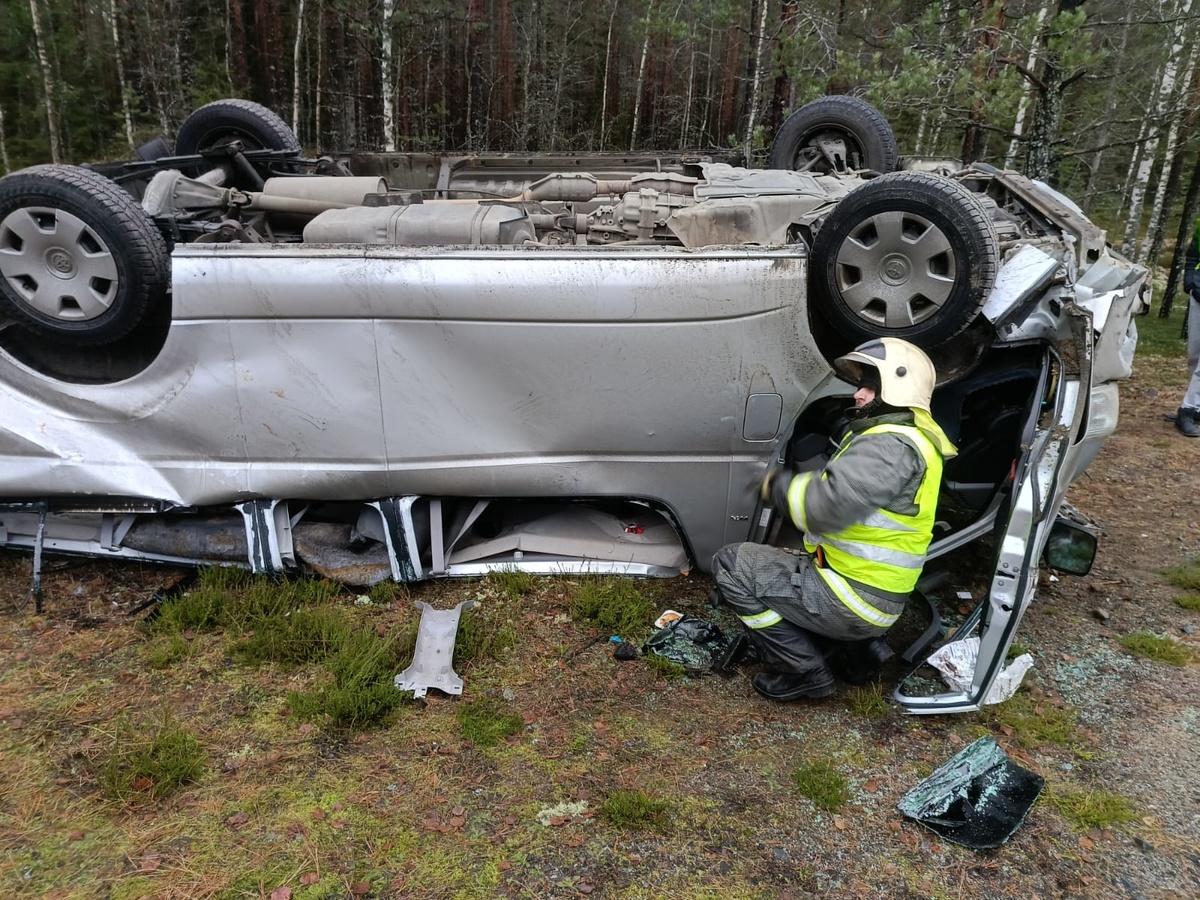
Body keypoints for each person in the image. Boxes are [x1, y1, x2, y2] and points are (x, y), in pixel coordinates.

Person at [711, 337, 957, 701]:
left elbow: (824, 509)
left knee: (731, 565)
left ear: (900, 388)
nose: (858, 395)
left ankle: (802, 670)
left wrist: (774, 486)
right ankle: (850, 650)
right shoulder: (910, 441)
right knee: (787, 560)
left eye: (871, 387)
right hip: (865, 590)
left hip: (852, 598)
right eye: (861, 385)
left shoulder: (891, 445)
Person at [1178, 221, 1200, 437]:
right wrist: (1190, 282)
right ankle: (1197, 405)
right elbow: (1194, 253)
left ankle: (1187, 410)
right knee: (1194, 355)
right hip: (1199, 297)